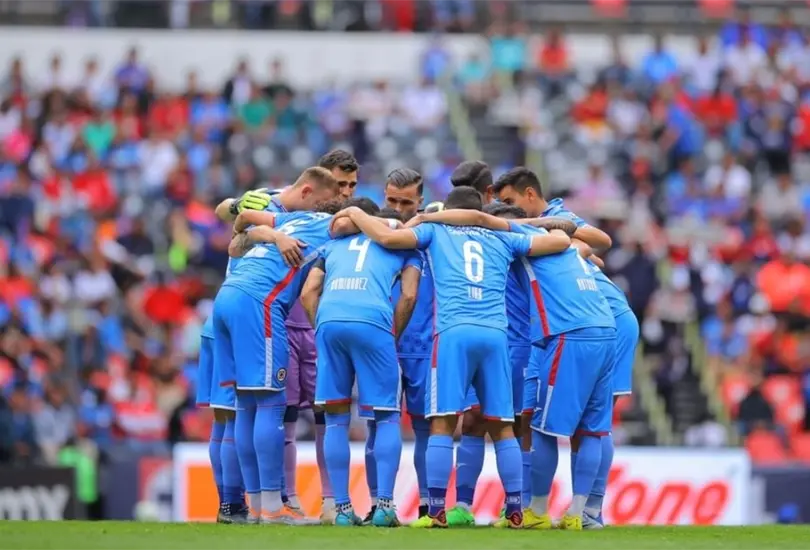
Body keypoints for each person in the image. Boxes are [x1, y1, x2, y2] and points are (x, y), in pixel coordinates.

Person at [333, 186, 572, 528]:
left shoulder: (434, 230)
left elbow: (387, 238)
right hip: (495, 334)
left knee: (442, 423)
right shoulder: (502, 236)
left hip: (453, 333)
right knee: (503, 426)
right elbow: (561, 241)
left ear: (449, 209)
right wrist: (513, 224)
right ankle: (516, 511)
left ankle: (436, 512)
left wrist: (357, 213)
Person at [493, 167, 635, 529]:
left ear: (528, 195)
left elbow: (600, 241)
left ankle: (539, 511)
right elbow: (591, 252)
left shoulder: (536, 231)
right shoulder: (562, 238)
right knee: (593, 427)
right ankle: (584, 513)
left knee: (544, 425)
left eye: (508, 202)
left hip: (575, 329)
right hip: (605, 323)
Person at [214, 167, 346, 524]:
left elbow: (244, 220)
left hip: (226, 297)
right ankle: (273, 507)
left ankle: (257, 505)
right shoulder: (333, 226)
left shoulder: (292, 220)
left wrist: (275, 236)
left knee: (245, 405)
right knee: (271, 405)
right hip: (260, 304)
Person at [300, 198, 421, 527]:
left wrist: (322, 327)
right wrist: (391, 334)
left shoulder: (333, 245)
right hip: (373, 321)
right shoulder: (405, 246)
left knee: (335, 419)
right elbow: (409, 294)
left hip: (329, 320)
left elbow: (308, 291)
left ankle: (341, 509)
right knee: (386, 416)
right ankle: (384, 507)